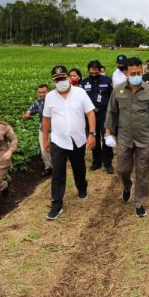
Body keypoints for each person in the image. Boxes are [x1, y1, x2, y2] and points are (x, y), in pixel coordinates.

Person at [104, 57, 149, 218]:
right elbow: (112, 112)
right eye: (133, 73)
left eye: (139, 72)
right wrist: (108, 133)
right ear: (126, 73)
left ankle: (139, 202)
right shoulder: (118, 90)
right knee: (123, 169)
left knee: (143, 171)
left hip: (144, 138)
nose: (137, 75)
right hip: (124, 137)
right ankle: (127, 186)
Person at [42, 65, 96, 220]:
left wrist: (91, 134)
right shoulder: (50, 97)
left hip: (78, 139)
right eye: (57, 80)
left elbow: (90, 113)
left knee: (79, 167)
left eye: (63, 78)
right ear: (53, 82)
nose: (61, 82)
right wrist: (46, 139)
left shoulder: (80, 93)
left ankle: (82, 187)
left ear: (68, 78)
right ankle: (56, 204)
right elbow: (46, 119)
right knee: (58, 172)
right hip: (58, 140)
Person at [82, 60, 114, 173]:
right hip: (91, 114)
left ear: (100, 70)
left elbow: (113, 97)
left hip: (104, 112)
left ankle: (108, 163)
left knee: (106, 137)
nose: (93, 75)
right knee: (93, 137)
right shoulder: (84, 83)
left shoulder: (107, 80)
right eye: (91, 73)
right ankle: (97, 162)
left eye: (96, 73)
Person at [21, 84, 53, 176]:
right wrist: (27, 114)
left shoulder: (54, 101)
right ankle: (49, 167)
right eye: (40, 92)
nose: (42, 94)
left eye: (44, 92)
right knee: (44, 149)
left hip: (56, 128)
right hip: (43, 128)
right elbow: (30, 111)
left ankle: (58, 167)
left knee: (56, 149)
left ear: (48, 92)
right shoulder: (37, 102)